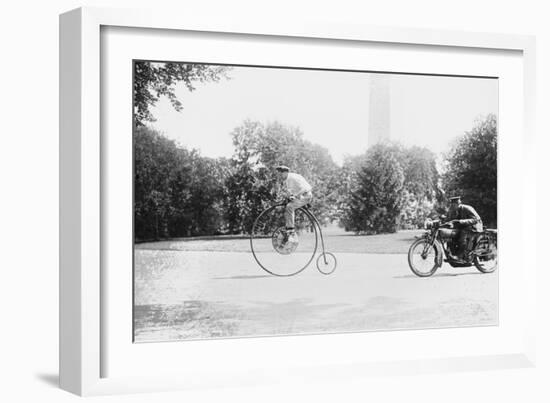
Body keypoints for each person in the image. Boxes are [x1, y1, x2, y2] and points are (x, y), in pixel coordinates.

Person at [275, 165, 313, 244]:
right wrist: (290, 197)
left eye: (281, 174)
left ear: (285, 172)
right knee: (288, 205)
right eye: (279, 174)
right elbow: (291, 193)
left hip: (306, 196)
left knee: (290, 207)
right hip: (302, 196)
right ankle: (289, 228)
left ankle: (291, 231)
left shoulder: (293, 178)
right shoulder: (288, 180)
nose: (280, 176)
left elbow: (303, 188)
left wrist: (295, 196)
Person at [446, 196, 483, 260]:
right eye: (451, 205)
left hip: (475, 226)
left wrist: (461, 221)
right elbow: (450, 220)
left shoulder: (467, 208)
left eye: (454, 205)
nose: (452, 207)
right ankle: (452, 254)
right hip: (466, 227)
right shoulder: (455, 211)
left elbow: (476, 219)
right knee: (452, 235)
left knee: (463, 234)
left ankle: (460, 256)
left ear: (458, 204)